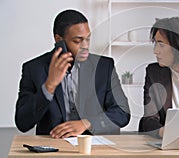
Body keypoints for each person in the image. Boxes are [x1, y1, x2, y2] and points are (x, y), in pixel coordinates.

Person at [15, 9, 130, 138]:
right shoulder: (34, 69)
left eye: (88, 39)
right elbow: (22, 123)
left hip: (96, 147)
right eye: (77, 41)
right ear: (59, 39)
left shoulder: (104, 66)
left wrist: (87, 123)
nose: (85, 46)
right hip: (54, 148)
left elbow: (122, 112)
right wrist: (49, 86)